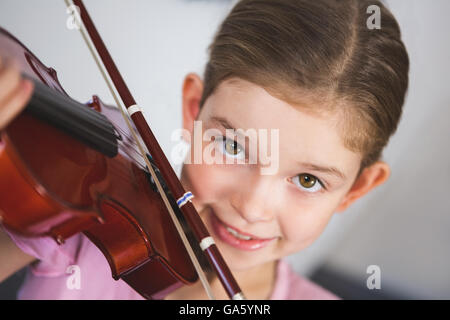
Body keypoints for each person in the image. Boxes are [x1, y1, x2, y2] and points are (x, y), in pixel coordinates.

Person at [0, 0, 409, 300]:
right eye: (232, 146)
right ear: (194, 111)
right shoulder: (84, 208)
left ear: (356, 189)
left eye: (307, 179)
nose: (252, 208)